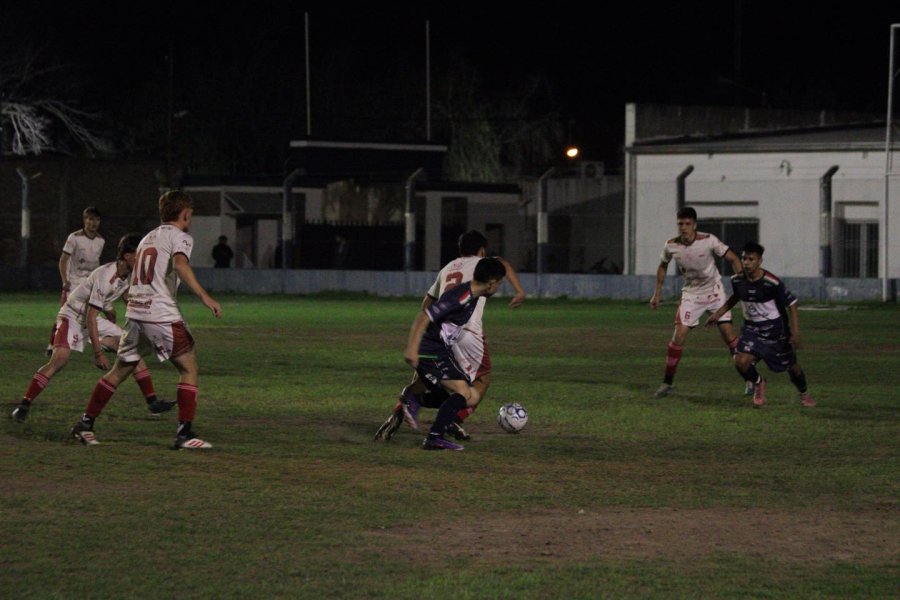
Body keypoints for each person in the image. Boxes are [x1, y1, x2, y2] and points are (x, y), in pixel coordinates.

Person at [69, 191, 222, 449]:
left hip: (136, 313)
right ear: (185, 214)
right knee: (189, 368)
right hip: (160, 314)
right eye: (191, 213)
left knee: (121, 369)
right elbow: (181, 265)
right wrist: (205, 296)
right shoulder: (180, 237)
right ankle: (184, 435)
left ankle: (85, 424)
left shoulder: (147, 238)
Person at [374, 230, 526, 442]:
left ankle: (405, 403)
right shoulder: (484, 265)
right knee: (480, 381)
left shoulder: (447, 268)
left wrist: (428, 330)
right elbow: (504, 263)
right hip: (467, 333)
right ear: (482, 250)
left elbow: (427, 303)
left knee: (431, 377)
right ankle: (452, 420)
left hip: (441, 332)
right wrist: (519, 291)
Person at [11, 234, 170, 422]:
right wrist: (98, 353)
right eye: (139, 253)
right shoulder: (106, 275)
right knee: (59, 360)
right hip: (73, 316)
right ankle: (24, 405)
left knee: (132, 349)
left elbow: (128, 298)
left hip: (92, 318)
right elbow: (91, 317)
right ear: (127, 256)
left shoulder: (129, 274)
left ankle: (152, 401)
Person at [403, 257, 508, 450]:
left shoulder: (474, 295)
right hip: (429, 349)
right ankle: (432, 435)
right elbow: (426, 315)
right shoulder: (461, 296)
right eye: (499, 283)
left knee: (472, 396)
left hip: (439, 349)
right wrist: (412, 349)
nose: (499, 287)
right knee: (463, 392)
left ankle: (416, 402)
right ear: (491, 283)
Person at [706, 242, 816, 408]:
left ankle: (804, 393)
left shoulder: (771, 282)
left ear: (759, 261)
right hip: (752, 330)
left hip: (776, 332)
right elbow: (736, 297)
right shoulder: (737, 280)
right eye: (744, 258)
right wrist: (717, 314)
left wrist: (795, 332)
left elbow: (792, 304)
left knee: (791, 366)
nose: (746, 262)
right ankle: (758, 383)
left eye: (751, 259)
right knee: (740, 361)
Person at [650, 206, 745, 398]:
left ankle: (750, 379)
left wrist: (742, 282)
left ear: (694, 225)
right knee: (678, 336)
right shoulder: (671, 245)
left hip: (714, 292)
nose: (683, 228)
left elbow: (734, 258)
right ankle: (667, 383)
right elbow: (663, 265)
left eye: (687, 224)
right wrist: (656, 293)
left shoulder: (708, 240)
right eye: (680, 224)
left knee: (729, 335)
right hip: (691, 295)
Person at [48, 206, 106, 354]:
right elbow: (63, 260)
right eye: (91, 219)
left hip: (90, 283)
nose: (94, 222)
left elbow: (96, 262)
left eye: (97, 219)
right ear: (85, 220)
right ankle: (52, 344)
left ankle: (101, 341)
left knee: (93, 313)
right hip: (74, 282)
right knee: (65, 314)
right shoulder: (74, 238)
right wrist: (65, 280)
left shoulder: (101, 240)